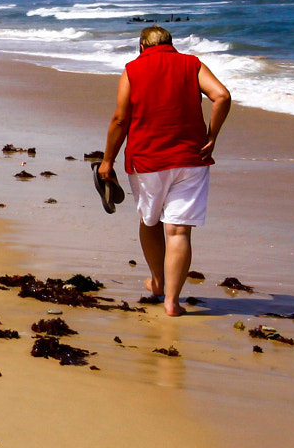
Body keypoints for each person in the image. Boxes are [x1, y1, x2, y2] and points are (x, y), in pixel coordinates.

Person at [98, 25, 232, 316]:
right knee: (179, 230)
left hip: (147, 160)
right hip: (190, 158)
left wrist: (108, 160)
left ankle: (158, 282)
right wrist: (212, 136)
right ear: (172, 44)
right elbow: (221, 95)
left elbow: (121, 119)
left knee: (150, 221)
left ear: (141, 47)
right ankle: (172, 302)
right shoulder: (191, 64)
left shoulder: (133, 69)